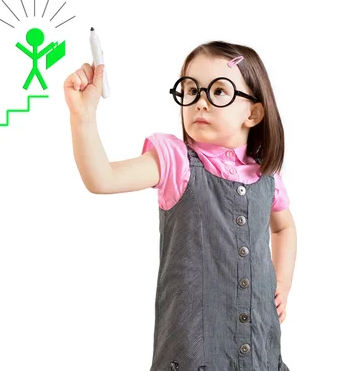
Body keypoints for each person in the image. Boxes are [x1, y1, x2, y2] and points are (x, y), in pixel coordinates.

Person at [63, 41, 296, 371]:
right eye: (190, 90)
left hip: (260, 351)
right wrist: (82, 117)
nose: (200, 102)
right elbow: (103, 178)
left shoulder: (266, 177)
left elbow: (284, 227)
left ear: (253, 113)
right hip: (192, 356)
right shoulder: (175, 162)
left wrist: (282, 283)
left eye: (218, 92)